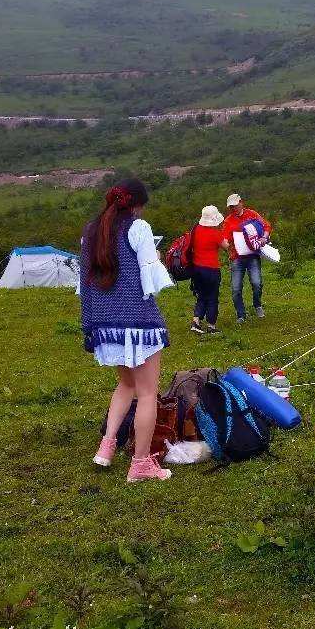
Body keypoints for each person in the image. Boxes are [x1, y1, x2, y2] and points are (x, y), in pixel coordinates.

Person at [82, 179, 175, 482]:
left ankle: (106, 449)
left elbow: (85, 285)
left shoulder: (91, 231)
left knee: (125, 385)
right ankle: (141, 463)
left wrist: (90, 325)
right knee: (148, 392)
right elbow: (152, 282)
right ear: (137, 204)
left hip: (106, 325)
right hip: (138, 324)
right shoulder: (139, 228)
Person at [220, 193, 270, 323]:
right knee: (236, 288)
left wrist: (264, 237)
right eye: (231, 207)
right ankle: (241, 314)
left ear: (241, 202)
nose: (233, 209)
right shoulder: (228, 221)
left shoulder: (252, 214)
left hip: (252, 255)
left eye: (235, 205)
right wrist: (224, 244)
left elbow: (266, 226)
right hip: (236, 258)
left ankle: (257, 305)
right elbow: (224, 238)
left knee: (257, 283)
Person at [189, 205, 225, 334]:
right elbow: (226, 245)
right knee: (212, 296)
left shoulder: (196, 229)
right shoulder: (215, 233)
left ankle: (196, 321)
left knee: (201, 295)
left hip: (197, 268)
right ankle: (211, 325)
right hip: (211, 269)